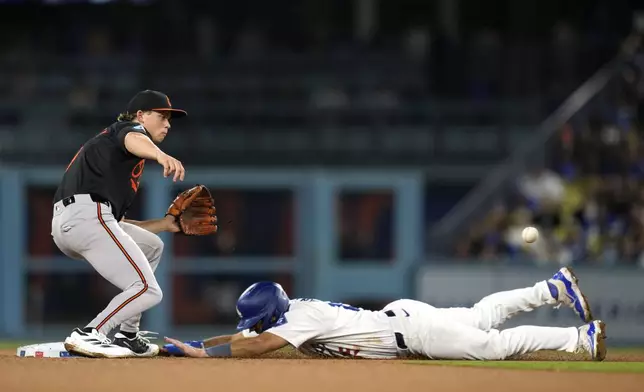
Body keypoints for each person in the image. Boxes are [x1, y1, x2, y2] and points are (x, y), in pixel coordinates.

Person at [163, 267, 607, 361]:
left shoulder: (298, 320)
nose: (254, 329)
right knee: (479, 317)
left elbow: (258, 344)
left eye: (256, 321)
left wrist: (205, 356)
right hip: (403, 319)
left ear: (271, 315)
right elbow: (247, 336)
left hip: (412, 335)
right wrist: (199, 344)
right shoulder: (290, 312)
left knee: (491, 346)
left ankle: (577, 340)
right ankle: (549, 289)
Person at [52, 90, 188, 358]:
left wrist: (165, 223)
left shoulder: (114, 162)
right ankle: (91, 332)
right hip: (85, 216)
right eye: (161, 116)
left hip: (80, 220)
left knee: (151, 246)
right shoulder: (128, 130)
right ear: (140, 115)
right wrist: (160, 155)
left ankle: (127, 335)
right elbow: (134, 137)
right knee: (148, 290)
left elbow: (115, 226)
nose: (168, 124)